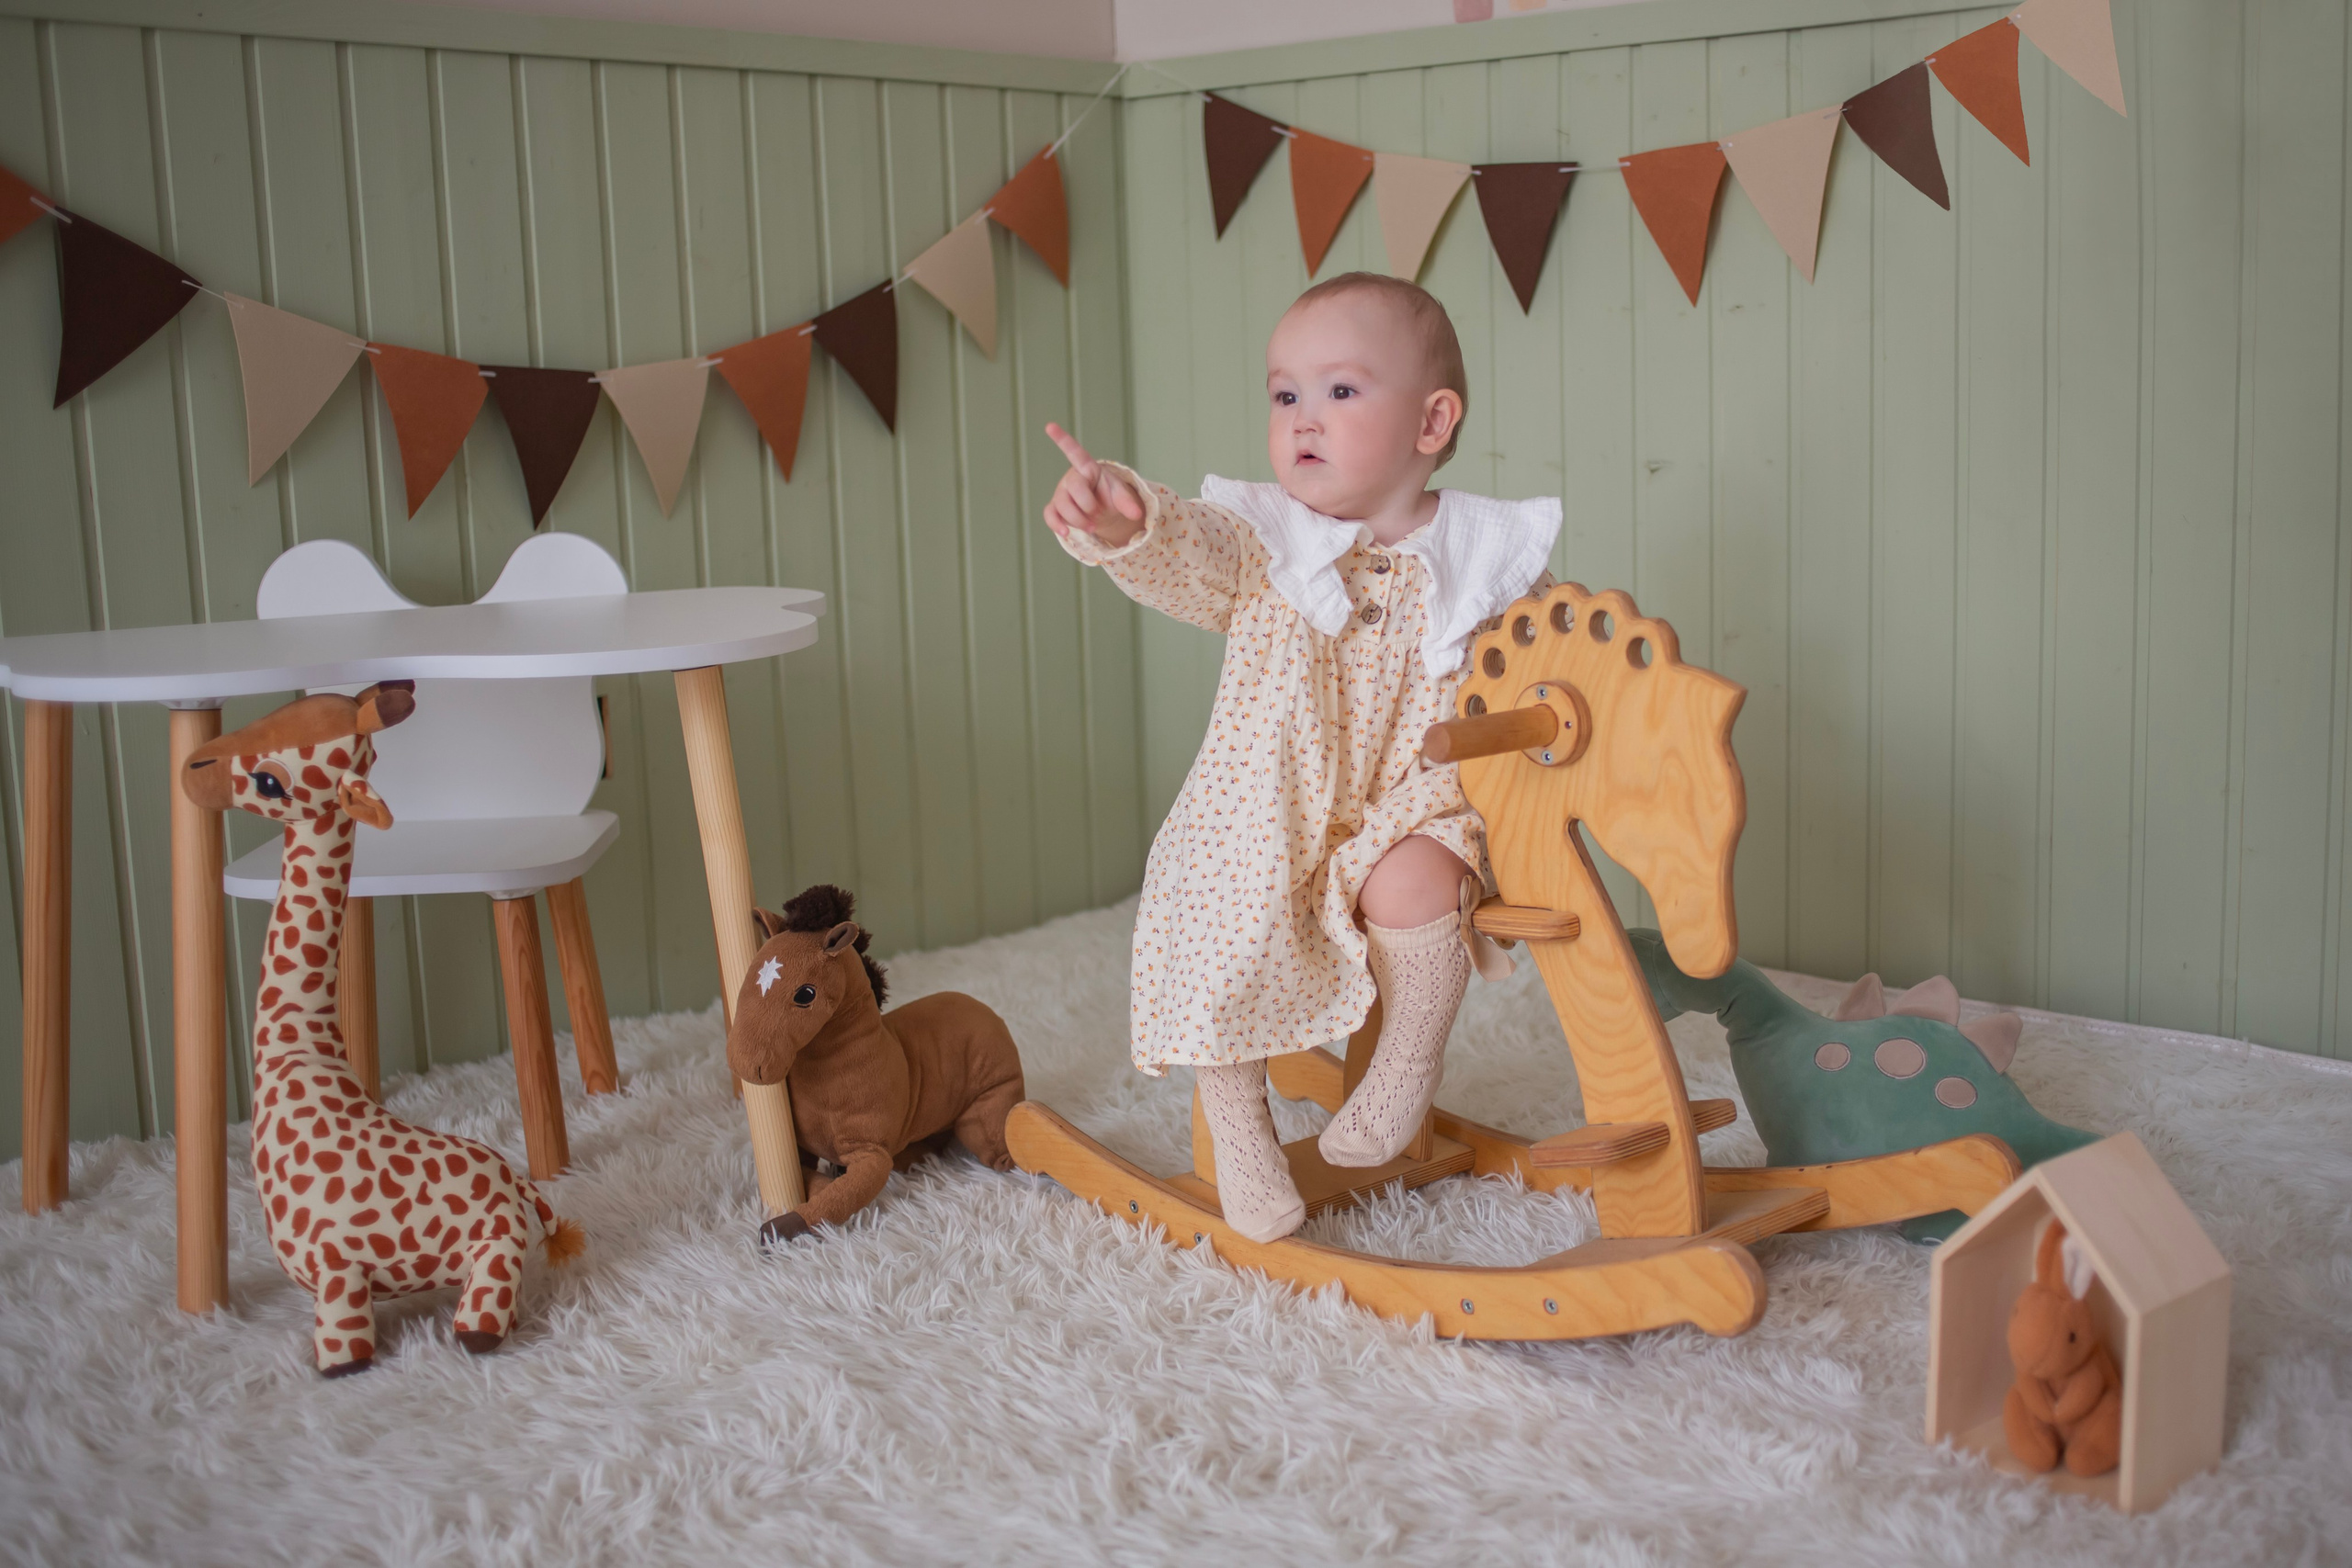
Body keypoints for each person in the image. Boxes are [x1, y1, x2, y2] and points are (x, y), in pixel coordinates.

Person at [1043, 272, 1558, 1242]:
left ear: (1431, 419)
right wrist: (1126, 521)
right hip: (1269, 804)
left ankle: (1404, 1068)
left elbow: (1543, 659)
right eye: (1284, 396)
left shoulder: (1482, 554)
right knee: (1211, 905)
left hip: (1414, 794)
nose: (1302, 419)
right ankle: (1240, 1125)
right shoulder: (1263, 544)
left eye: (1339, 391)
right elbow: (1182, 550)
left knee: (1418, 883)